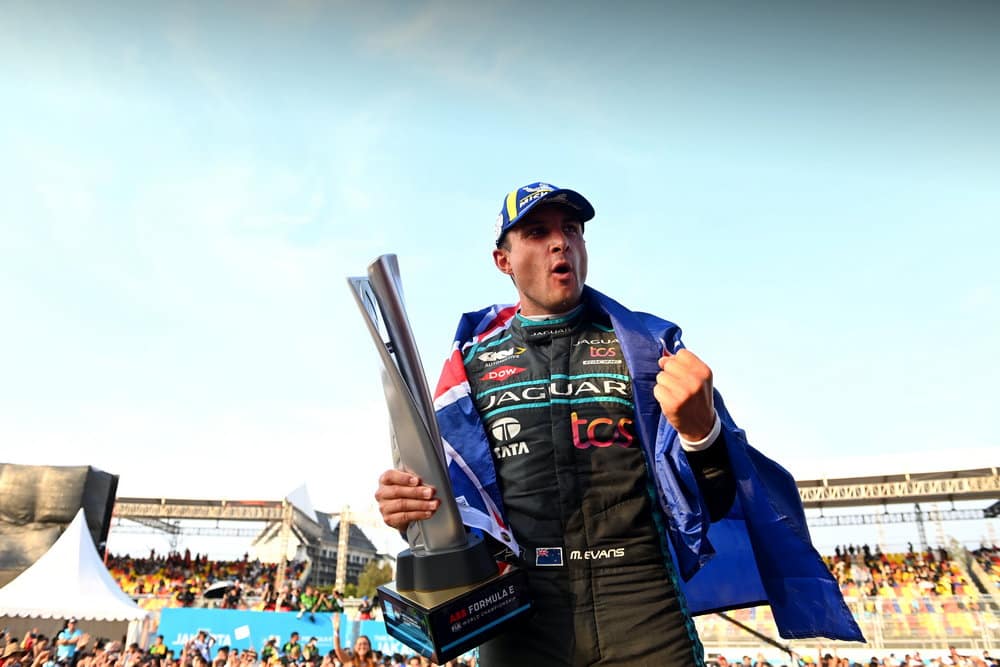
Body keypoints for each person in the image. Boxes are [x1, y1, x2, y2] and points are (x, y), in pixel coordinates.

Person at [375, 182, 862, 666]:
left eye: (571, 229)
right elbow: (455, 513)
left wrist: (702, 434)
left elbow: (716, 501)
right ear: (503, 260)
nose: (560, 242)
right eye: (537, 232)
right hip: (524, 617)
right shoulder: (470, 366)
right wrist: (412, 511)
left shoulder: (649, 348)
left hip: (642, 605)